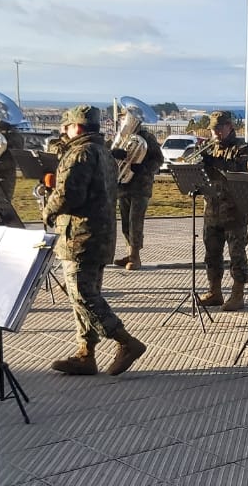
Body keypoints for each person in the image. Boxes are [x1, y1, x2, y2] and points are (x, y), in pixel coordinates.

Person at [42, 105, 146, 377]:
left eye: (66, 126)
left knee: (82, 295)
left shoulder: (80, 153)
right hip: (98, 235)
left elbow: (69, 196)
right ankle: (85, 354)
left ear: (77, 127)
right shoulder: (103, 152)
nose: (63, 131)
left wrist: (48, 209)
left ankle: (126, 341)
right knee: (86, 294)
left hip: (80, 236)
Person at [198, 111, 248, 312]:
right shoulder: (210, 147)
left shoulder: (242, 148)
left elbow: (240, 169)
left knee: (237, 255)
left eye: (219, 128)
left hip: (234, 211)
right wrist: (199, 164)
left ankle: (237, 295)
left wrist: (214, 162)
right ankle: (215, 292)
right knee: (212, 255)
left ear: (229, 127)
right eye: (213, 129)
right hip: (212, 210)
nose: (215, 133)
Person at [113, 118, 164, 271]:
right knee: (125, 224)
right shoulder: (122, 138)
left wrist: (144, 167)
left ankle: (135, 256)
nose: (125, 123)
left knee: (135, 222)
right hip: (123, 185)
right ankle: (129, 253)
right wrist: (114, 154)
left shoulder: (147, 137)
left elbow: (159, 159)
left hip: (141, 187)